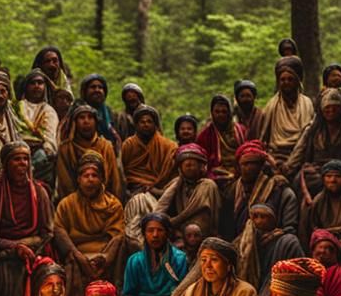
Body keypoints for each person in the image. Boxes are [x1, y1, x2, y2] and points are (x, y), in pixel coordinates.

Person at [0, 140, 55, 296]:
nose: (23, 164)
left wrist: (28, 246)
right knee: (11, 290)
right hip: (3, 255)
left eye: (26, 159)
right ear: (5, 164)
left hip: (35, 253)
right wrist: (14, 247)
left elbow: (47, 233)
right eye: (16, 159)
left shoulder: (39, 191)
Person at [54, 152, 126, 296]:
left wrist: (105, 258)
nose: (90, 179)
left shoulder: (113, 204)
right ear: (79, 179)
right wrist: (78, 256)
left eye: (95, 175)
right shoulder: (67, 204)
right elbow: (59, 230)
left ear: (101, 179)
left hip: (104, 254)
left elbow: (117, 235)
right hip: (77, 254)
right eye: (85, 175)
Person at [284, 88, 341, 199]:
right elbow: (298, 154)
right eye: (327, 107)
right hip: (315, 175)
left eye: (335, 107)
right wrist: (286, 170)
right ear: (321, 110)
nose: (331, 110)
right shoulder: (313, 129)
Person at [120, 104, 177, 245]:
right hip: (134, 193)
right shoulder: (128, 145)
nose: (145, 124)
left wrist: (155, 190)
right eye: (142, 121)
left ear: (155, 124)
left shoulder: (168, 146)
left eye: (149, 121)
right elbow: (122, 174)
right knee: (138, 205)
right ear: (136, 125)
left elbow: (173, 177)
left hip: (160, 194)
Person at [236, 203, 305, 296]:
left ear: (273, 221)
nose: (258, 221)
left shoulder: (285, 242)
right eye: (255, 216)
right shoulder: (242, 243)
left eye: (263, 217)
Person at [230, 140, 299, 239]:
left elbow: (289, 228)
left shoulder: (280, 190)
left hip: (273, 242)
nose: (248, 168)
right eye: (245, 164)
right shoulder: (233, 190)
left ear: (262, 166)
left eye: (253, 163)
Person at [154, 143, 221, 243]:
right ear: (180, 168)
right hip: (182, 231)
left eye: (192, 165)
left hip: (201, 232)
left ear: (201, 167)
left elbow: (193, 209)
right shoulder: (178, 183)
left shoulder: (207, 184)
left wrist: (173, 221)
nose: (189, 168)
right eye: (186, 165)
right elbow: (165, 197)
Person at [56, 103, 121, 200]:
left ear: (96, 122)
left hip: (104, 201)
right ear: (75, 122)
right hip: (74, 203)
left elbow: (114, 181)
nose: (86, 121)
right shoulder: (65, 149)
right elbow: (65, 184)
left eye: (90, 117)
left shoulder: (106, 146)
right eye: (82, 118)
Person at [262, 57, 315, 163]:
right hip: (275, 157)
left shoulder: (307, 103)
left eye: (290, 79)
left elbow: (309, 138)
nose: (286, 82)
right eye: (282, 79)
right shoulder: (271, 106)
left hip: (301, 157)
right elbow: (263, 139)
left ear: (297, 81)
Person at [14, 69, 59, 189]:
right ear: (26, 86)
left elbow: (50, 138)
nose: (36, 86)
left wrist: (44, 152)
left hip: (41, 160)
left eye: (40, 83)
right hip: (16, 153)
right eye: (32, 83)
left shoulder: (49, 111)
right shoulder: (16, 108)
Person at [197, 94, 247, 187]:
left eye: (224, 111)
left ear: (229, 113)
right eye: (217, 111)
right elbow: (202, 163)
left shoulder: (241, 130)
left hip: (241, 170)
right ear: (212, 113)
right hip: (218, 174)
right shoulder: (205, 135)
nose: (220, 115)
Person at [69, 74, 119, 149]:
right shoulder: (76, 109)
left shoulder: (109, 112)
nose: (97, 90)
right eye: (93, 87)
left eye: (100, 87)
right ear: (85, 91)